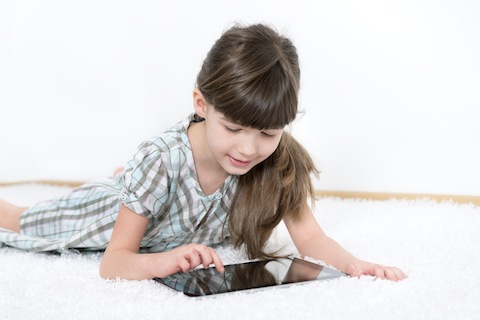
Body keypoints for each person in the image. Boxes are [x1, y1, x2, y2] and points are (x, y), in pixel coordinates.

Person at [0, 23, 406, 281]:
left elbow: (311, 238)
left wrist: (356, 265)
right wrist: (167, 260)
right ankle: (124, 184)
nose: (249, 148)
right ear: (201, 104)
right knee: (18, 220)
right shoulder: (161, 159)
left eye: (267, 132)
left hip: (150, 193)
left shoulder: (281, 161)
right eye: (232, 128)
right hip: (100, 214)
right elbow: (113, 264)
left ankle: (129, 183)